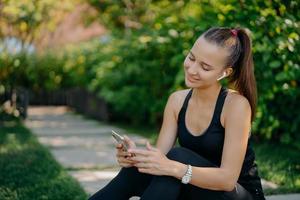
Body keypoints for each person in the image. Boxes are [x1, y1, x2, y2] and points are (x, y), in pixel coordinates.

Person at [89, 27, 266, 200]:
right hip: (196, 188)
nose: (192, 69)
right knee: (138, 170)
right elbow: (160, 158)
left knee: (177, 158)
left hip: (235, 193)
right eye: (191, 58)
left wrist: (174, 168)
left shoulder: (236, 105)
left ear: (224, 72)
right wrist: (135, 158)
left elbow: (227, 180)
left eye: (205, 67)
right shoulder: (176, 101)